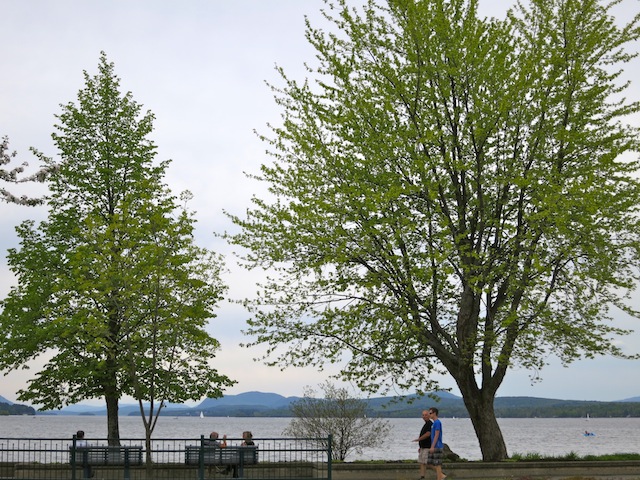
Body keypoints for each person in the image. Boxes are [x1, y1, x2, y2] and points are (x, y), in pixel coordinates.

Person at [427, 408, 446, 480]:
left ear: (434, 413)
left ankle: (439, 478)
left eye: (430, 413)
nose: (429, 414)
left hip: (437, 445)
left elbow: (436, 435)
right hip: (433, 445)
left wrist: (432, 446)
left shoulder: (437, 422)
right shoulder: (434, 423)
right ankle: (441, 475)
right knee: (429, 463)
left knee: (437, 464)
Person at [413, 410, 432, 480]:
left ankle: (441, 474)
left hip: (427, 446)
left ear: (429, 415)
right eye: (423, 415)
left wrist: (419, 439)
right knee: (421, 462)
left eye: (426, 415)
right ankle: (422, 476)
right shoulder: (425, 424)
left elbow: (428, 434)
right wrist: (420, 446)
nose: (424, 416)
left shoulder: (430, 424)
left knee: (427, 463)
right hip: (423, 447)